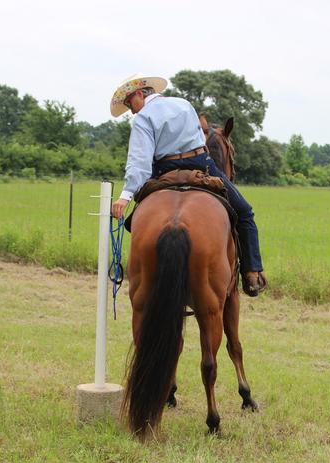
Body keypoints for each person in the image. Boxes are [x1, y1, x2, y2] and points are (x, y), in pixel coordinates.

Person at [109, 74, 267, 296]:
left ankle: (145, 272)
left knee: (134, 222)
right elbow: (200, 140)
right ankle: (252, 271)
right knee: (244, 212)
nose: (132, 111)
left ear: (139, 94)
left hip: (164, 168)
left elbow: (140, 161)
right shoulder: (184, 104)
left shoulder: (143, 118)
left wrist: (125, 196)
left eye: (129, 104)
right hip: (201, 162)